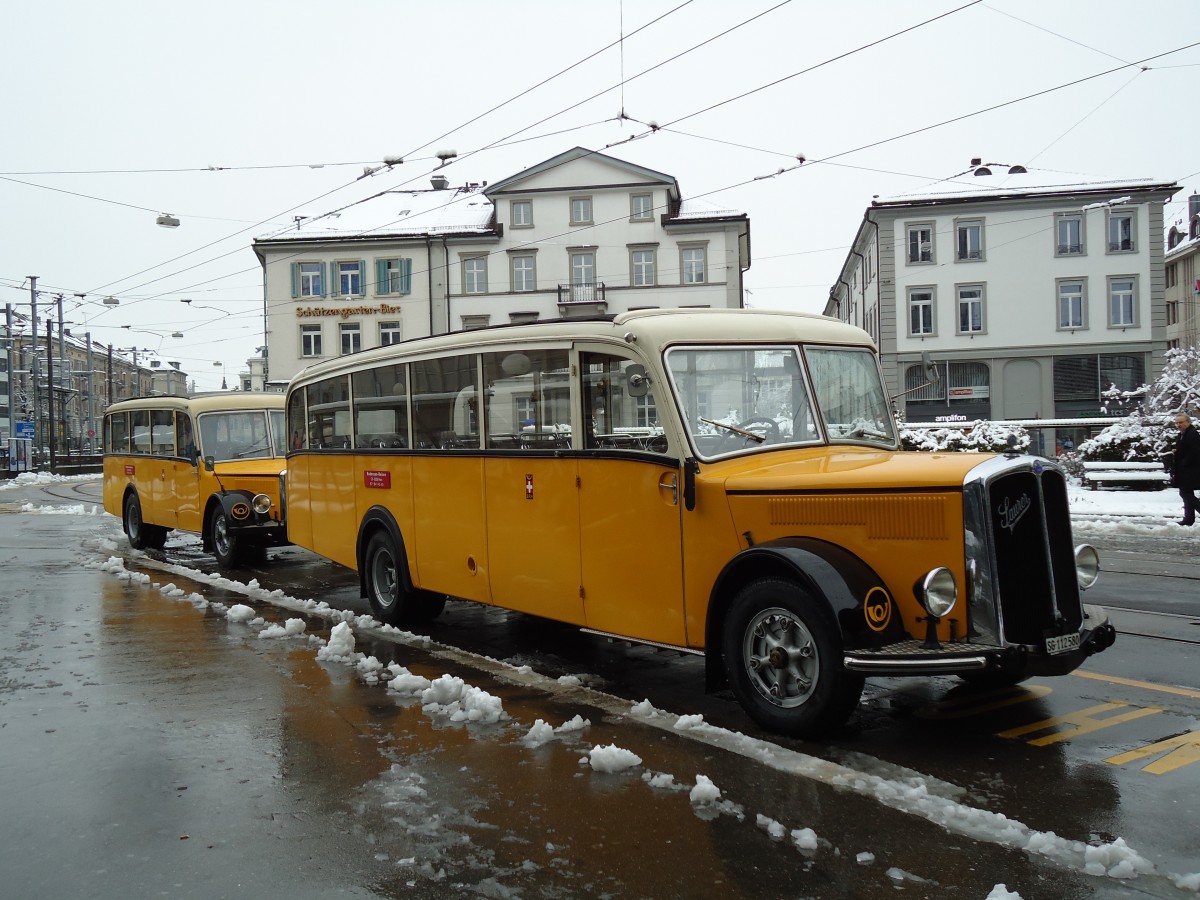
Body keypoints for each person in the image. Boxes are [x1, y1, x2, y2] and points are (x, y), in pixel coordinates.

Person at [1170, 412, 1200, 527]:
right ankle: (1188, 519)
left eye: (1181, 422)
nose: (1179, 425)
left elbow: (1195, 451)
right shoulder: (1183, 434)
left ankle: (1189, 519)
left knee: (1185, 493)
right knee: (1186, 493)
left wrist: (1184, 462)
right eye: (1177, 423)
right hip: (1185, 470)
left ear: (1188, 422)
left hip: (1191, 470)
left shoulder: (1192, 434)